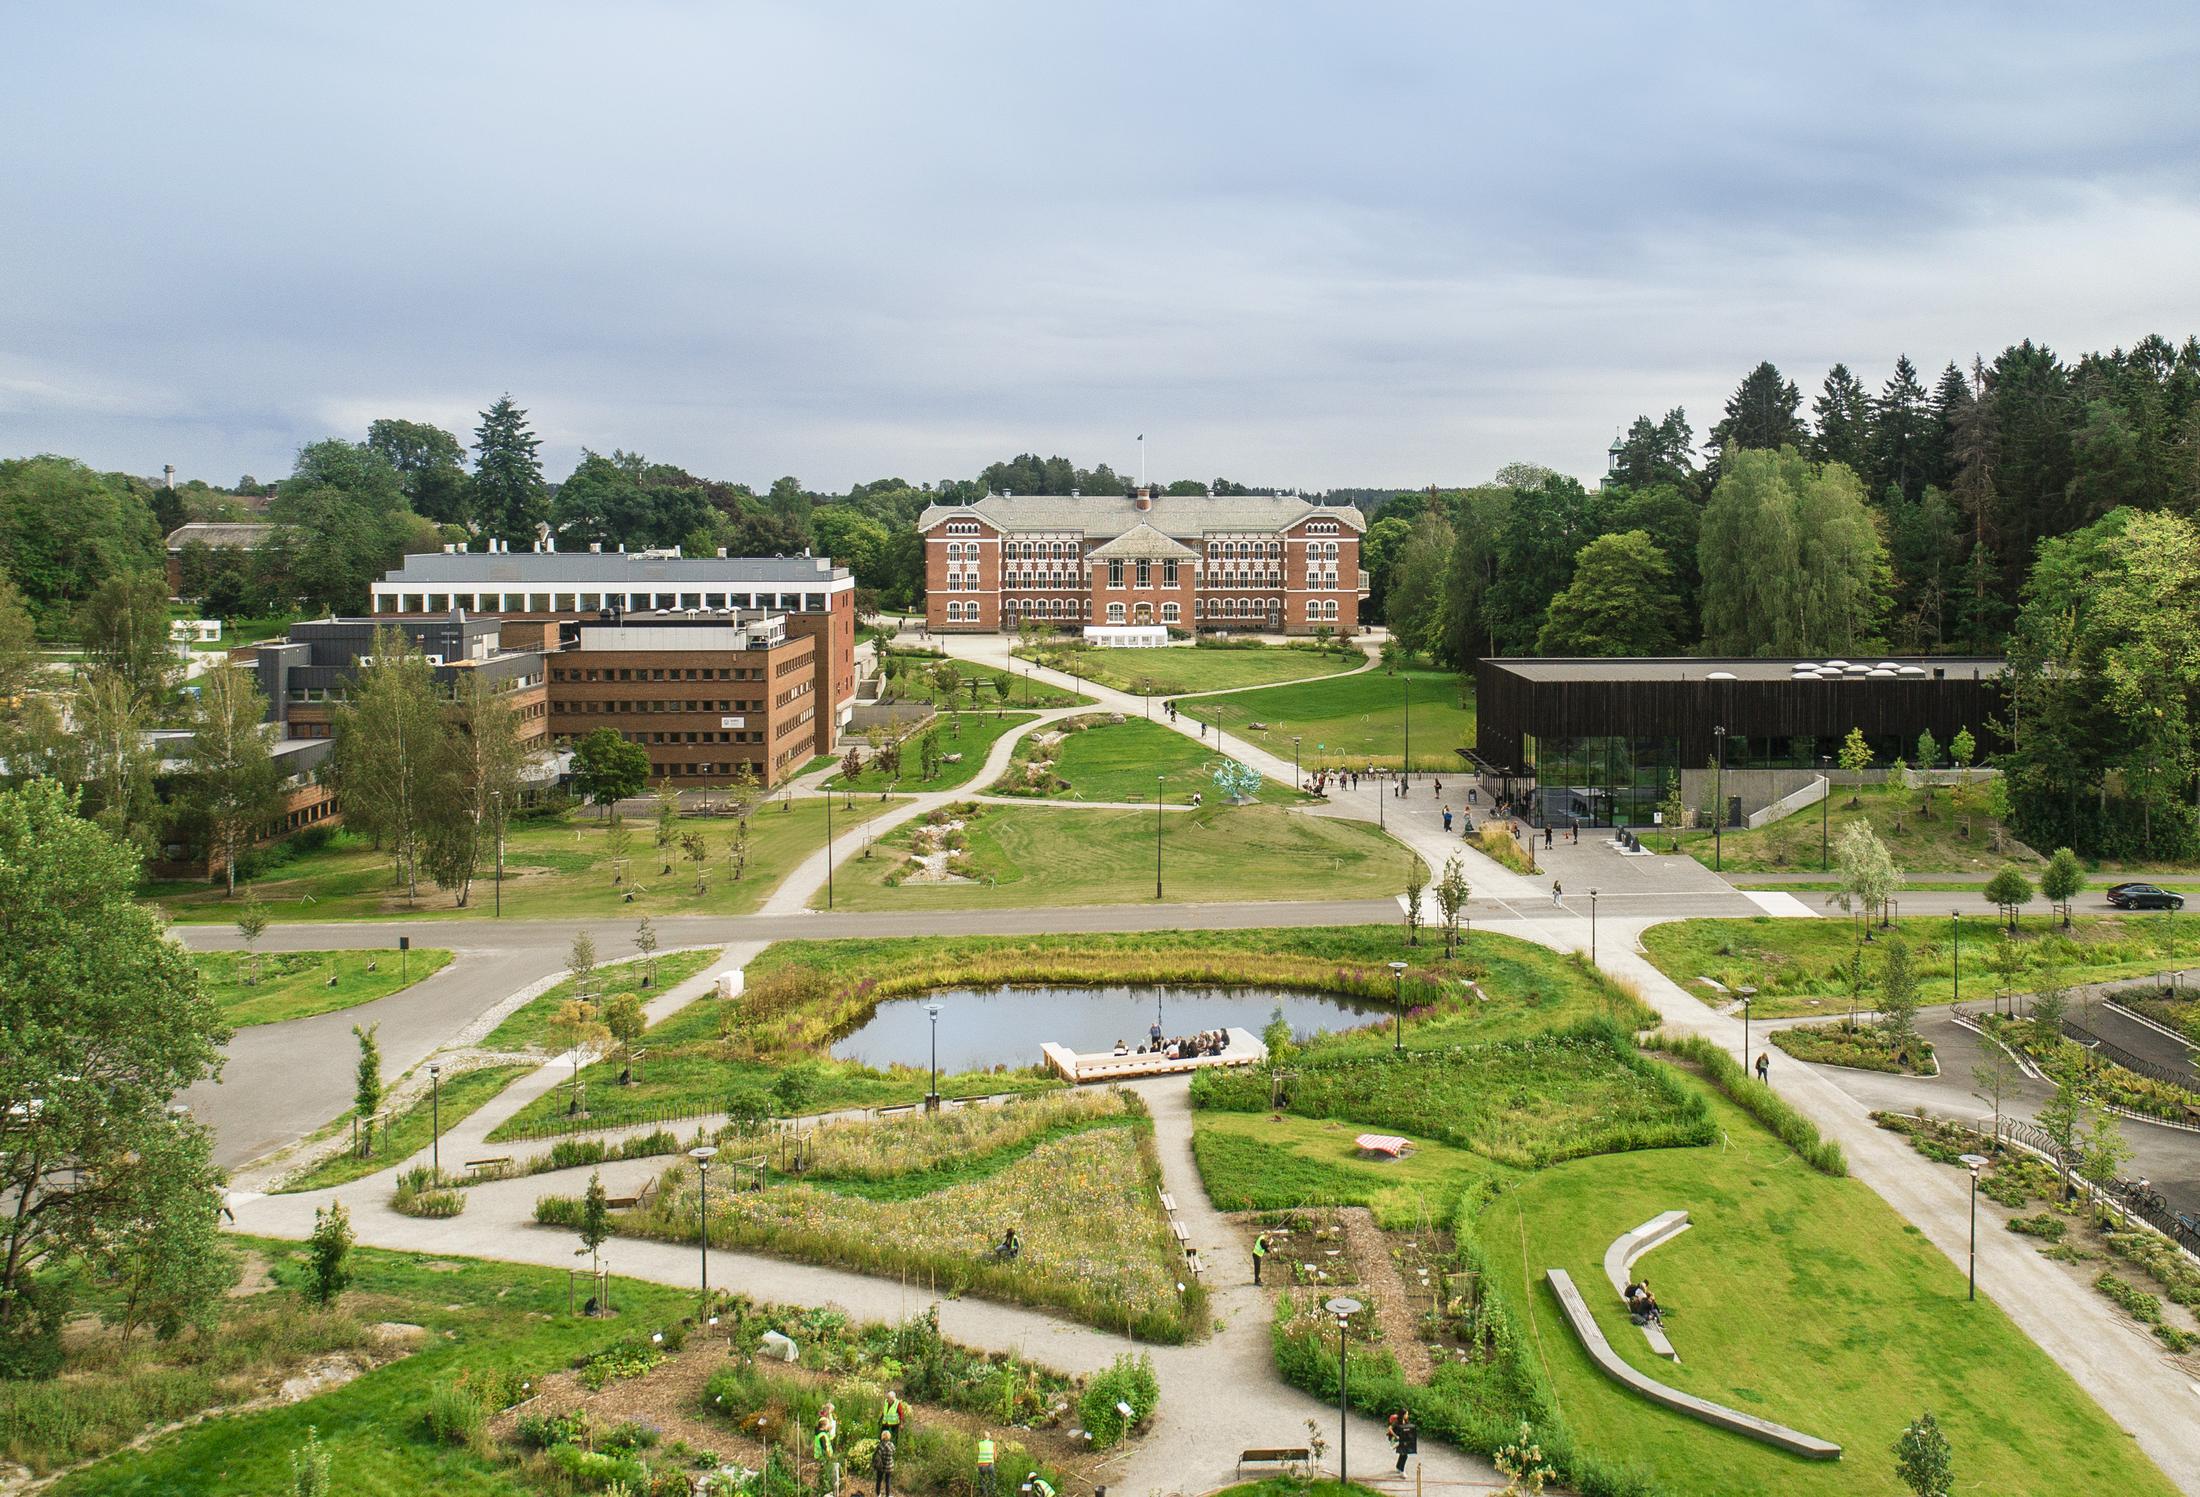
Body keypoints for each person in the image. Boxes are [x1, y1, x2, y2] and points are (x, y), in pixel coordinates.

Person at [870, 1427, 895, 1495]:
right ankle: (888, 1494)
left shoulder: (880, 1445)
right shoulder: (892, 1445)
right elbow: (894, 1452)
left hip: (881, 1466)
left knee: (879, 1480)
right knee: (888, 1481)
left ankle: (878, 1494)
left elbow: (876, 1455)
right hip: (889, 1466)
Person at [1393, 1408, 1419, 1473]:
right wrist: (1396, 1436)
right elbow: (1390, 1429)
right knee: (1404, 1454)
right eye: (1406, 1414)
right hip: (1400, 1440)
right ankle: (1402, 1470)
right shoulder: (1397, 1422)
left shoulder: (1406, 1422)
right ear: (1403, 1415)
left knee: (1403, 1454)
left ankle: (1399, 1467)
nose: (1407, 1415)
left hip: (1405, 1440)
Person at [975, 1431, 997, 1496]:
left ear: (983, 1437)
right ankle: (992, 1494)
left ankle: (985, 1494)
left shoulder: (979, 1443)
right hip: (989, 1464)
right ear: (989, 1436)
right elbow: (995, 1456)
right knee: (992, 1480)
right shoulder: (993, 1443)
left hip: (981, 1464)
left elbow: (978, 1453)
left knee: (982, 1481)